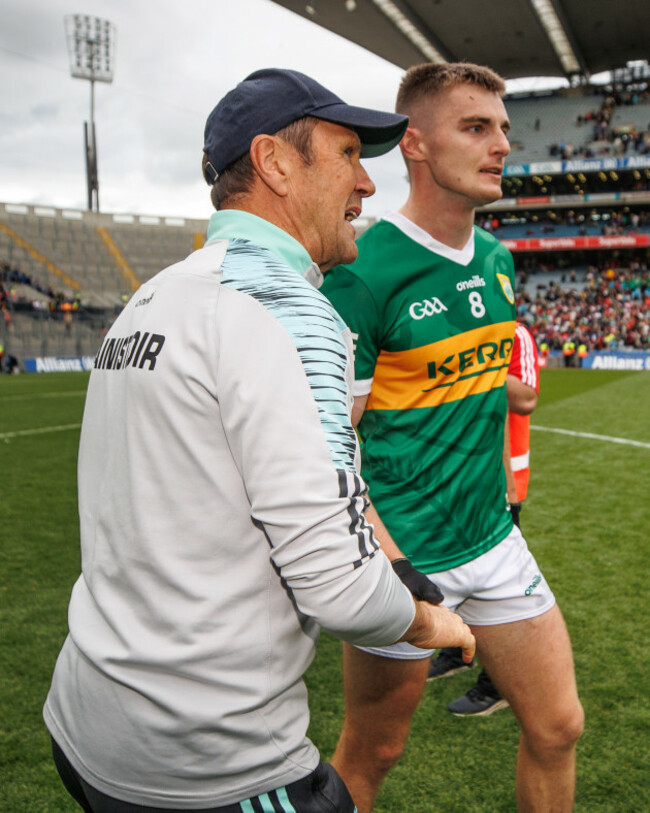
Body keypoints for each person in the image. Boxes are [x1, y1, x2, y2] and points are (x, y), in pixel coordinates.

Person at [42, 68, 475, 813]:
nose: (367, 184)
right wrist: (432, 619)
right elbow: (339, 586)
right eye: (346, 154)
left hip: (85, 718)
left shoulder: (157, 294)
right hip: (205, 760)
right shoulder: (289, 310)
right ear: (275, 161)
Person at [321, 62, 583, 812]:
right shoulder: (363, 271)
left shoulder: (499, 262)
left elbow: (469, 372)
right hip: (406, 558)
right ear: (415, 144)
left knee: (559, 724)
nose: (502, 144)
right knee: (374, 752)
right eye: (476, 127)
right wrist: (391, 567)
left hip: (493, 541)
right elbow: (327, 445)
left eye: (503, 128)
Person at [441, 320, 541, 716]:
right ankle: (456, 652)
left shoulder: (512, 333)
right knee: (452, 571)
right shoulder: (444, 328)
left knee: (502, 587)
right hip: (455, 477)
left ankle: (496, 683)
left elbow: (528, 399)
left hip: (503, 481)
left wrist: (478, 360)